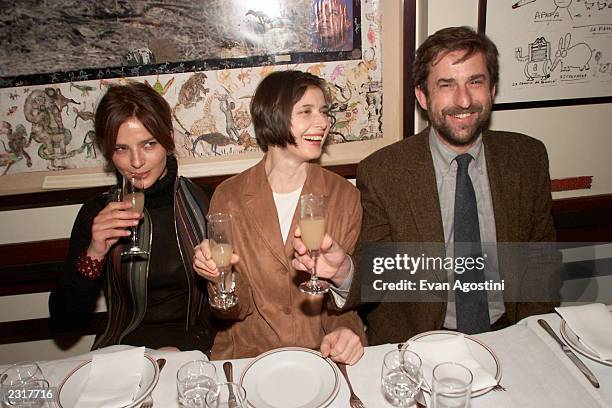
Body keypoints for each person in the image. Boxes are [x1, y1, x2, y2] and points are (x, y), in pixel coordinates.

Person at [293, 26, 560, 344]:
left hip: (509, 334)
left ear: (492, 89)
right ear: (423, 96)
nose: (463, 100)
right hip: (419, 344)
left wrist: (530, 338)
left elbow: (540, 261)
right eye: (446, 85)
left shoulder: (527, 158)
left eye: (475, 82)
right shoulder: (383, 172)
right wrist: (342, 271)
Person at [193, 70, 366, 364]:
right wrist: (221, 277)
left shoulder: (344, 196)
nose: (323, 123)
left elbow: (339, 301)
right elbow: (232, 310)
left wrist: (348, 333)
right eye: (306, 111)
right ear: (272, 115)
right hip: (248, 357)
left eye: (323, 112)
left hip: (319, 356)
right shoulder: (229, 196)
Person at [49, 82, 215, 351]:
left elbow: (232, 301)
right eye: (121, 149)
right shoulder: (96, 213)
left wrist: (187, 349)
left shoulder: (207, 202)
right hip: (123, 352)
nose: (136, 162)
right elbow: (64, 321)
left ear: (168, 139)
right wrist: (94, 253)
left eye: (148, 144)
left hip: (197, 347)